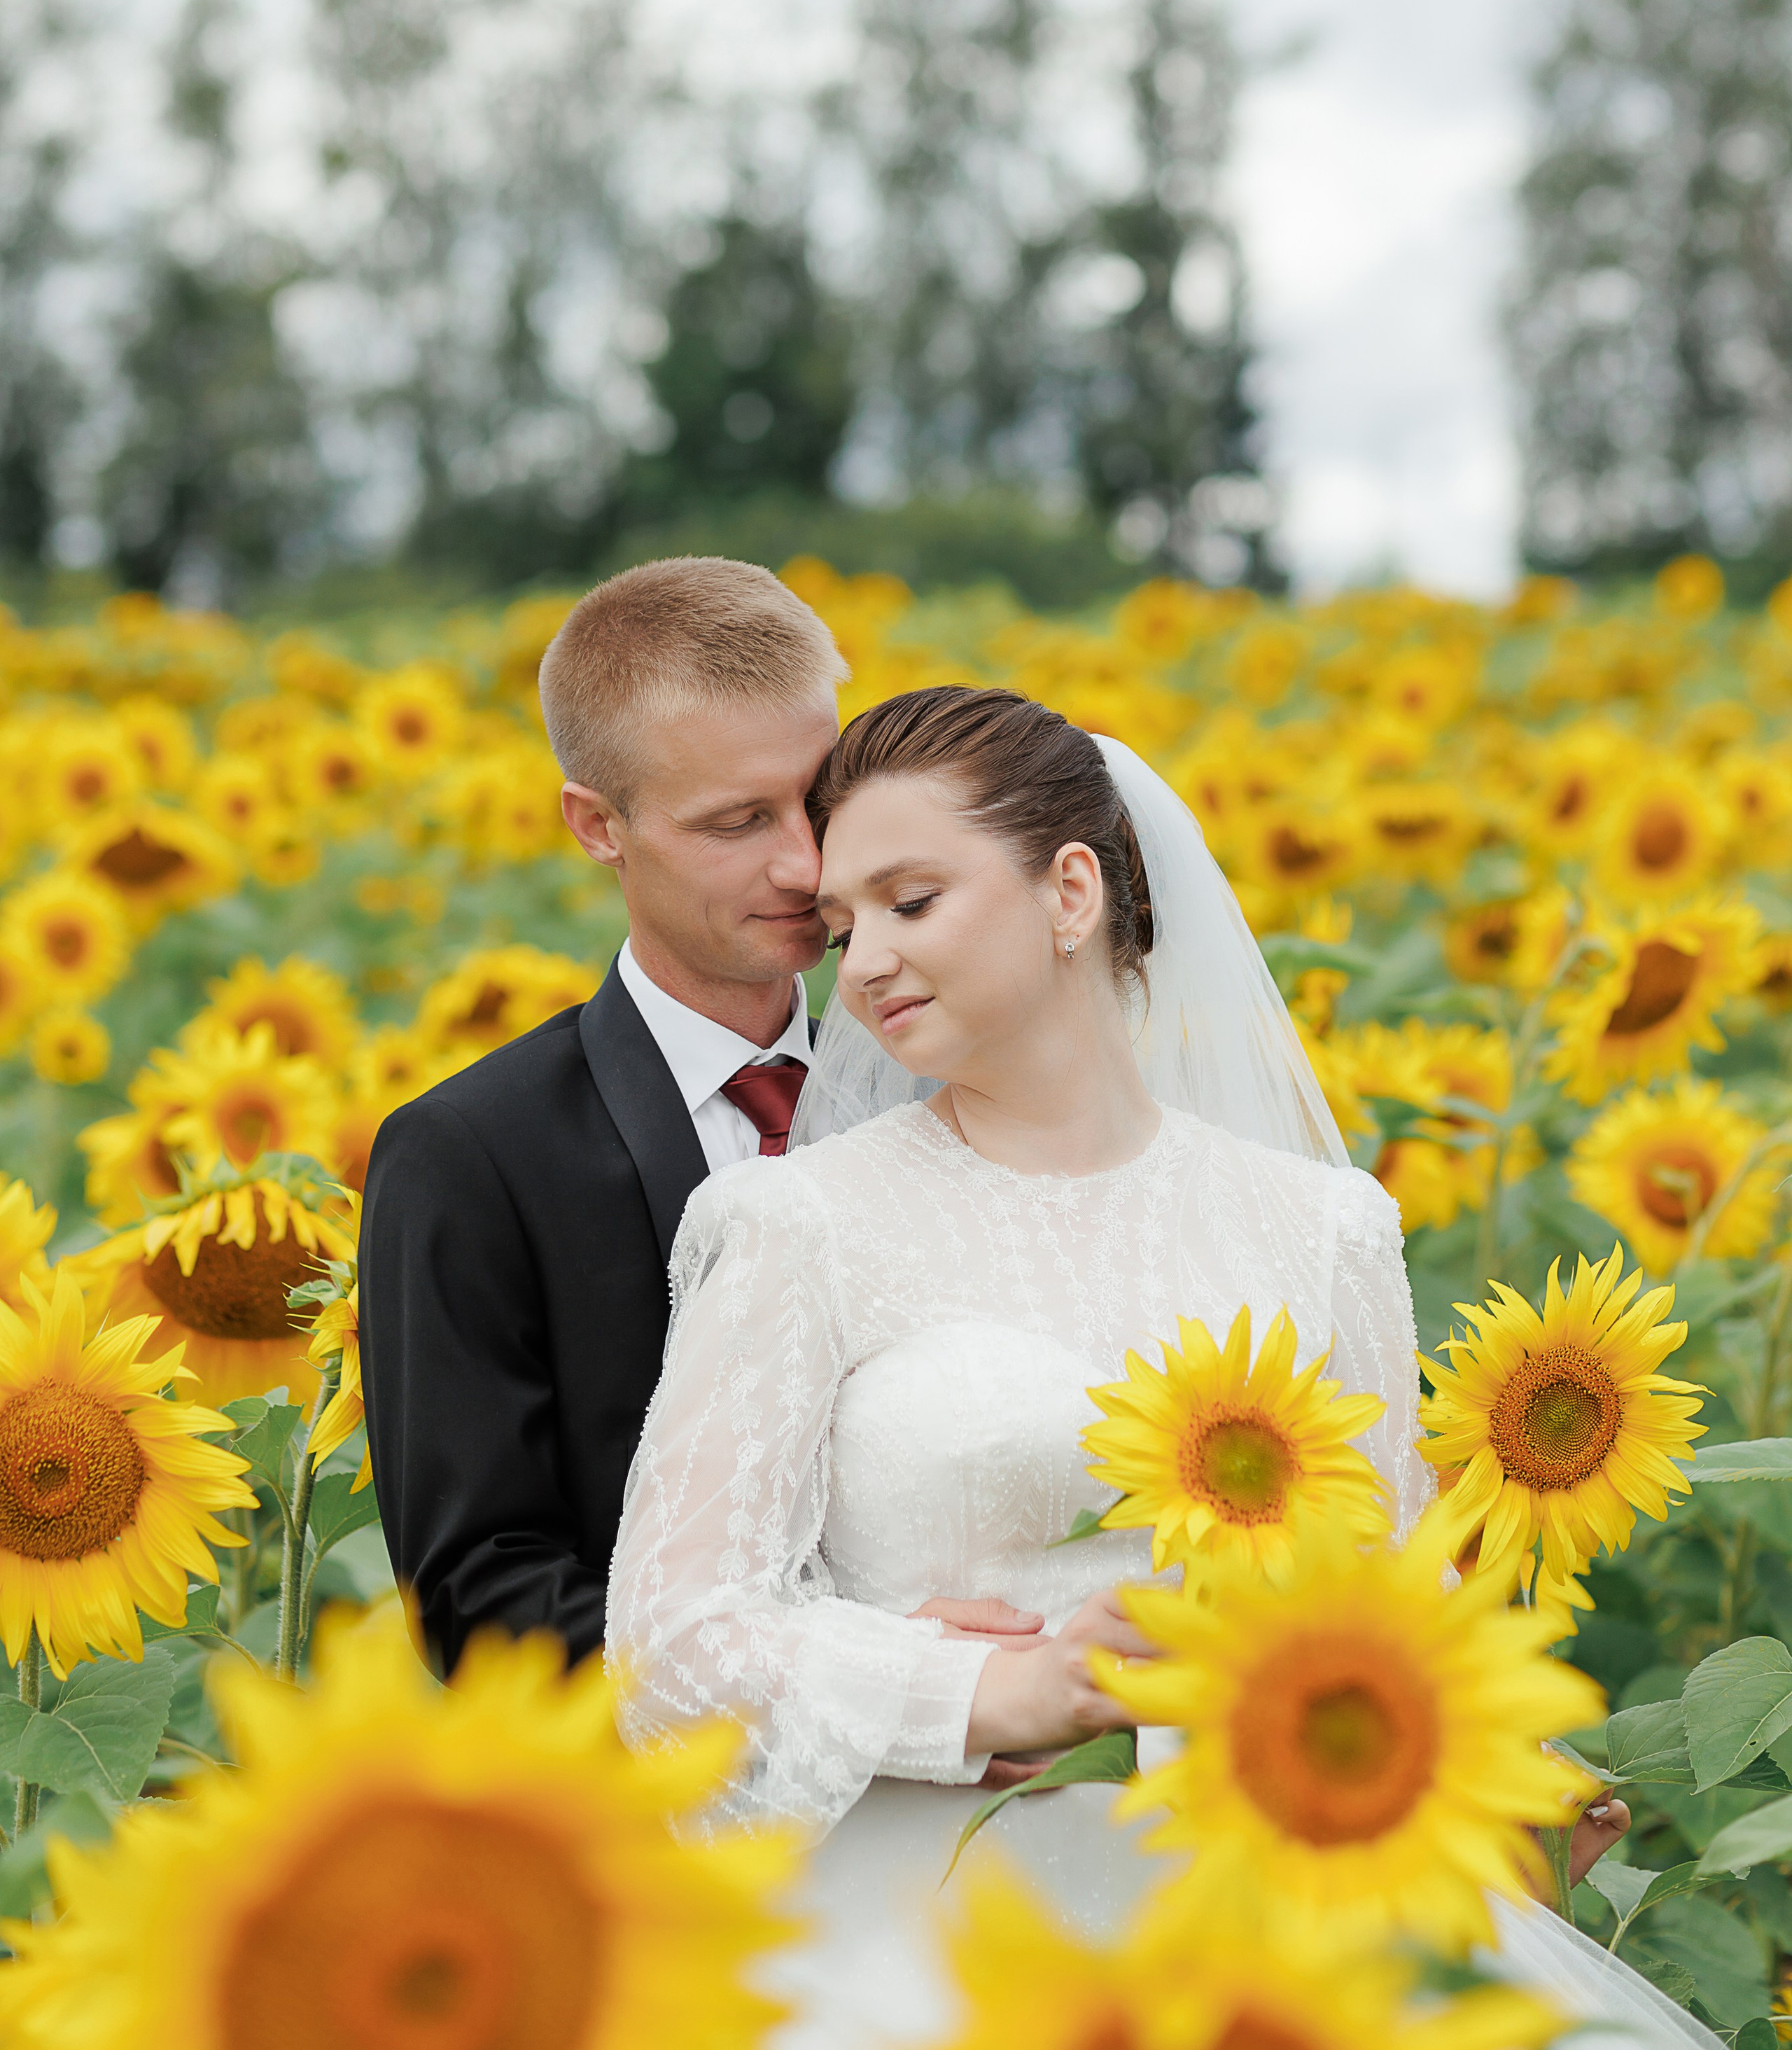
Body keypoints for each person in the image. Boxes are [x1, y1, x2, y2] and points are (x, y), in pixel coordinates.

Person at [607, 685, 1711, 2050]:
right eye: (842, 930)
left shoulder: (1322, 1227)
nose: (865, 964)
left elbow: (1396, 1595)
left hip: (1274, 1925)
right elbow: (670, 1647)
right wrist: (972, 1694)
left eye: (910, 900)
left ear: (1069, 890)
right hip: (923, 1930)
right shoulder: (793, 1226)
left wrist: (1479, 1769)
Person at [361, 559, 1042, 1682]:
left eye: (817, 801)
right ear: (598, 825)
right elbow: (476, 1599)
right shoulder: (471, 1157)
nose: (802, 863)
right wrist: (873, 1676)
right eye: (734, 821)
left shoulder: (950, 1093)